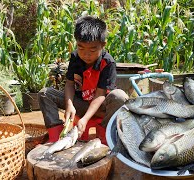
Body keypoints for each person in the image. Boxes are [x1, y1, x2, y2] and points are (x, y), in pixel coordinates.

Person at [38, 15, 128, 143]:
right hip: (82, 104)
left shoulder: (107, 63)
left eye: (92, 49)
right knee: (45, 94)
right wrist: (69, 105)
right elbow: (69, 84)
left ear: (103, 45)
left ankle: (104, 136)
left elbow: (100, 95)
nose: (86, 54)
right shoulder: (75, 57)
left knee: (120, 96)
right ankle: (56, 138)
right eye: (81, 48)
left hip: (102, 109)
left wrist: (85, 119)